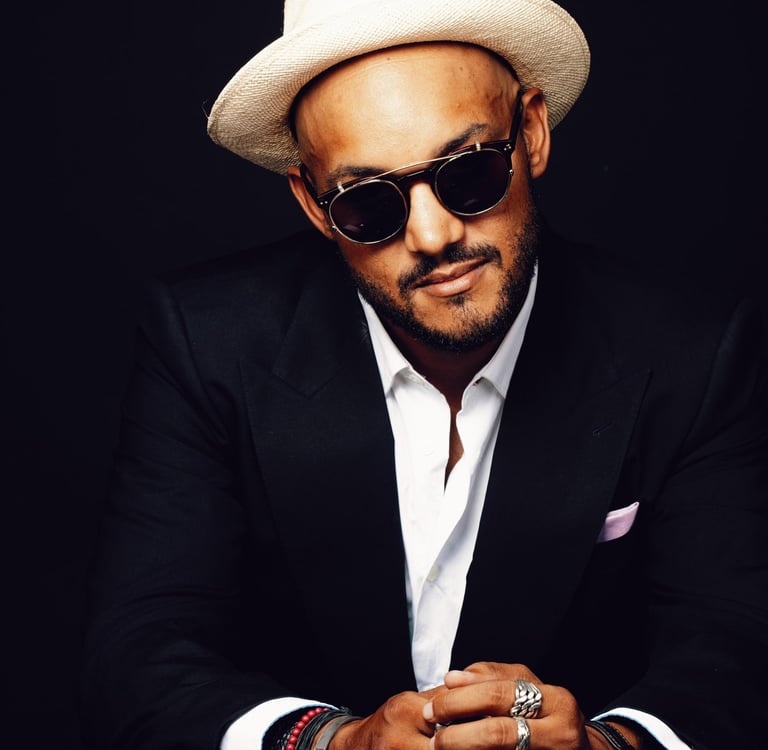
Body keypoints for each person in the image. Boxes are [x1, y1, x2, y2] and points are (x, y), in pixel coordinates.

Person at [79, 0, 768, 748]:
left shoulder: (693, 353)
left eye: (470, 173)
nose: (434, 235)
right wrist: (331, 742)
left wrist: (608, 746)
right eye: (367, 202)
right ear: (313, 204)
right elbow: (141, 648)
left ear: (532, 132)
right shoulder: (206, 341)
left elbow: (735, 648)